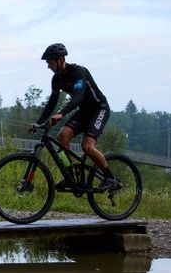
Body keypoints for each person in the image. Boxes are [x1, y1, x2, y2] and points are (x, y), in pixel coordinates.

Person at [32, 43, 119, 192]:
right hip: (84, 112)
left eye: (50, 63)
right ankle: (70, 177)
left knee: (87, 146)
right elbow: (52, 102)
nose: (48, 66)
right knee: (62, 137)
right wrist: (39, 122)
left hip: (99, 109)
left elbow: (78, 97)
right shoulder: (56, 79)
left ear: (60, 60)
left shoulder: (79, 72)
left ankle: (110, 178)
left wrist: (61, 113)